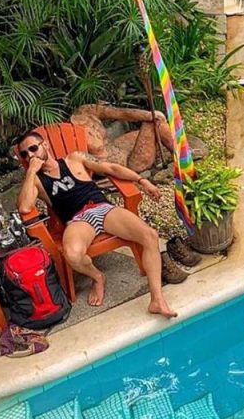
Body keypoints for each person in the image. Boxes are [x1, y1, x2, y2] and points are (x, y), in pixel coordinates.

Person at [14, 131, 177, 318]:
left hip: (103, 209)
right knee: (72, 255)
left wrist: (142, 181)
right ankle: (97, 277)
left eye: (33, 148)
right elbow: (24, 207)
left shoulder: (75, 159)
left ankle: (157, 300)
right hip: (77, 220)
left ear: (45, 145)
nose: (30, 155)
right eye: (25, 154)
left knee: (149, 235)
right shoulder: (35, 180)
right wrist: (31, 171)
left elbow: (111, 168)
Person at [70, 103, 174, 175]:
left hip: (117, 147)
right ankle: (180, 157)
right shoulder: (71, 135)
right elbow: (78, 163)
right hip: (127, 165)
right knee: (154, 123)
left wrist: (147, 115)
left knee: (155, 120)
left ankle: (176, 153)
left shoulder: (85, 111)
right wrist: (111, 177)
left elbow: (120, 113)